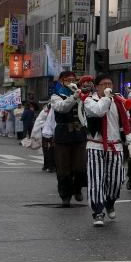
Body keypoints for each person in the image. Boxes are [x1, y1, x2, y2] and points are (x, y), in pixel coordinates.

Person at [83, 73, 131, 227]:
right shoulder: (89, 100)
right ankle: (98, 212)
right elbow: (98, 111)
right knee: (96, 180)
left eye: (110, 84)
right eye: (104, 84)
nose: (108, 87)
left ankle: (110, 202)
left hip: (115, 145)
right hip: (95, 145)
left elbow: (126, 121)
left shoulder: (118, 101)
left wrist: (130, 142)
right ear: (97, 87)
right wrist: (106, 97)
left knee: (116, 181)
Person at [49, 72, 90, 205]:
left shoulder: (82, 94)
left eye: (73, 80)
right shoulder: (56, 95)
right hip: (63, 133)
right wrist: (74, 97)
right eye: (68, 80)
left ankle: (77, 189)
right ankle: (65, 195)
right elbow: (62, 108)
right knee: (63, 167)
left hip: (79, 133)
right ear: (61, 81)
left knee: (80, 165)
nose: (71, 82)